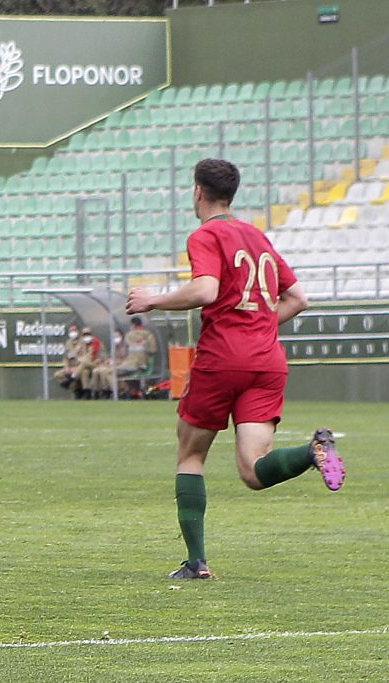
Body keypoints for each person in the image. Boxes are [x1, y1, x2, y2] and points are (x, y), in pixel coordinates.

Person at [126, 158, 345, 580]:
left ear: (198, 192)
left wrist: (154, 299)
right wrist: (259, 325)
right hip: (266, 362)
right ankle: (314, 452)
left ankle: (196, 562)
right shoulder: (256, 235)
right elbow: (298, 298)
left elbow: (207, 288)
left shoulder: (206, 235)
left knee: (190, 454)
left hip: (222, 359)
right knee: (253, 469)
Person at [116, 315, 158, 398]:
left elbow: (124, 352)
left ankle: (121, 392)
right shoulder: (149, 335)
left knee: (113, 371)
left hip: (131, 363)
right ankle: (132, 392)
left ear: (132, 324)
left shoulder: (128, 335)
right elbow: (153, 350)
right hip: (143, 364)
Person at [88, 329, 127, 399]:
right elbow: (111, 357)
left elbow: (125, 359)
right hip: (112, 365)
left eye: (117, 336)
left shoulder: (125, 346)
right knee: (96, 371)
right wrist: (108, 360)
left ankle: (112, 391)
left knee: (104, 371)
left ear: (122, 336)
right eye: (114, 337)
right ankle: (97, 391)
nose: (116, 338)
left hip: (122, 366)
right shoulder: (114, 346)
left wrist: (114, 362)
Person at [73, 326, 103, 399]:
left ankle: (72, 377)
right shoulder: (80, 344)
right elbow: (75, 356)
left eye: (88, 334)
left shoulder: (97, 342)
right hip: (83, 367)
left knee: (84, 362)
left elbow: (103, 355)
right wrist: (78, 359)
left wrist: (99, 359)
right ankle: (87, 392)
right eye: (84, 334)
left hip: (95, 365)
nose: (86, 336)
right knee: (84, 372)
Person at [54, 323, 83, 390]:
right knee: (58, 374)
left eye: (74, 330)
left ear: (78, 331)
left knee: (80, 374)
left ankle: (78, 391)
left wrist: (76, 367)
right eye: (71, 331)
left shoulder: (82, 342)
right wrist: (66, 367)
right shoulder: (68, 343)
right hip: (70, 367)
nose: (73, 332)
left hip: (79, 367)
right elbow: (65, 357)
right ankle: (71, 387)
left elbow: (84, 357)